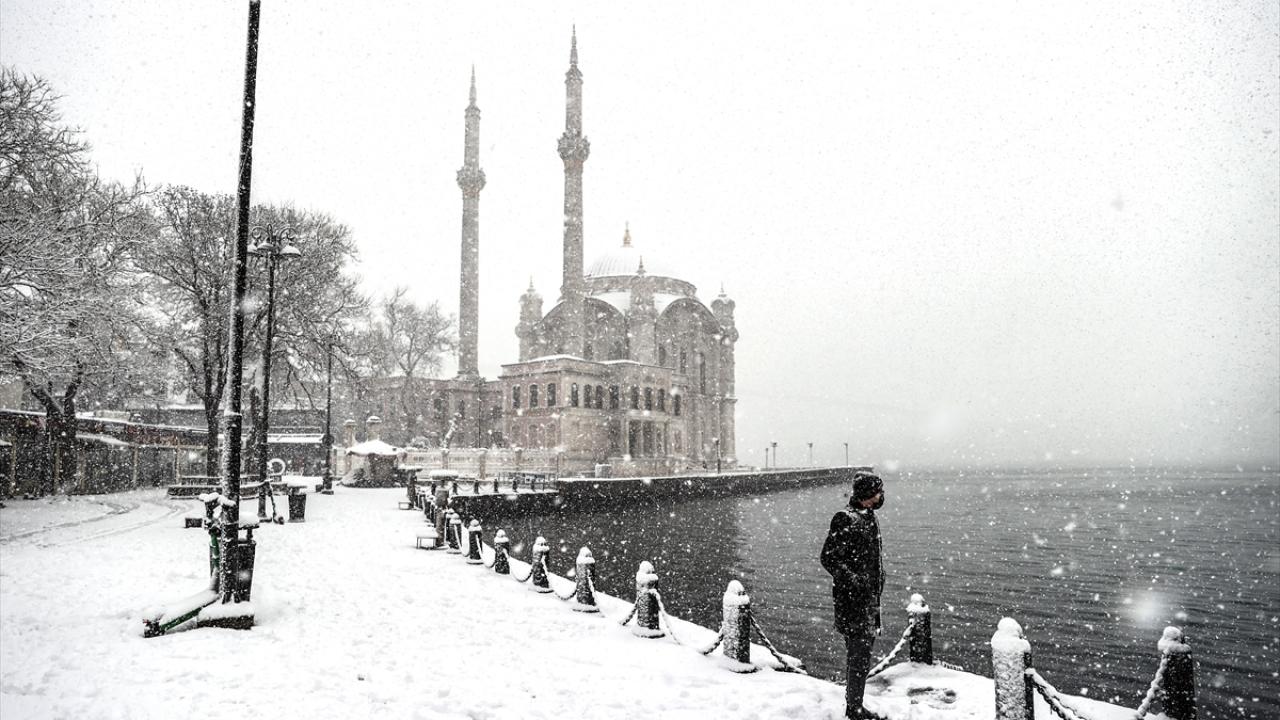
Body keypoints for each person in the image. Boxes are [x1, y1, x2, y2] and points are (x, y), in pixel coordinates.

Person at [820, 471, 886, 720]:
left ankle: (855, 705)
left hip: (868, 601)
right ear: (868, 494)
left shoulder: (870, 517)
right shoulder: (845, 519)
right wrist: (856, 582)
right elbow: (828, 558)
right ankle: (854, 709)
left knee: (861, 655)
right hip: (853, 603)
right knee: (858, 655)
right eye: (878, 491)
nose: (881, 496)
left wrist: (877, 580)